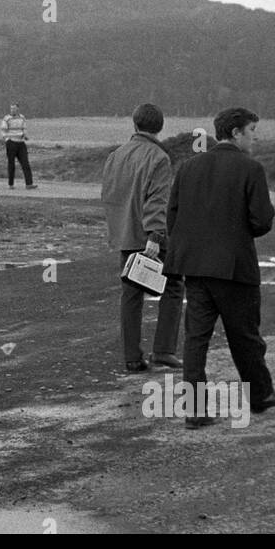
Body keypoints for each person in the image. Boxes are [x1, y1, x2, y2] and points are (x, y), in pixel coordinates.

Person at [164, 106, 275, 428]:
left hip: (195, 269)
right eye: (252, 131)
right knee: (245, 337)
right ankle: (261, 396)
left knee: (196, 340)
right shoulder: (251, 169)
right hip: (235, 268)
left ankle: (195, 411)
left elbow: (173, 218)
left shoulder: (188, 168)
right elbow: (262, 222)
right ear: (236, 133)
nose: (255, 137)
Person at [100, 103, 184, 373]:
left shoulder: (115, 155)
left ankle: (132, 357)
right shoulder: (159, 157)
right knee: (173, 286)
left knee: (131, 294)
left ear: (134, 124)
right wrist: (156, 235)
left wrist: (118, 228)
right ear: (159, 127)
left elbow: (109, 195)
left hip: (124, 233)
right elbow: (157, 200)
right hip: (149, 235)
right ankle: (163, 350)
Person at [0, 103, 36, 189]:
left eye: (14, 109)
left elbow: (24, 128)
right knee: (11, 164)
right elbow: (3, 130)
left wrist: (25, 135)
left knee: (25, 163)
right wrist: (7, 140)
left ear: (17, 109)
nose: (12, 110)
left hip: (21, 143)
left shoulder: (22, 117)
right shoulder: (6, 118)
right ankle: (11, 184)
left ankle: (29, 184)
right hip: (11, 143)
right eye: (11, 109)